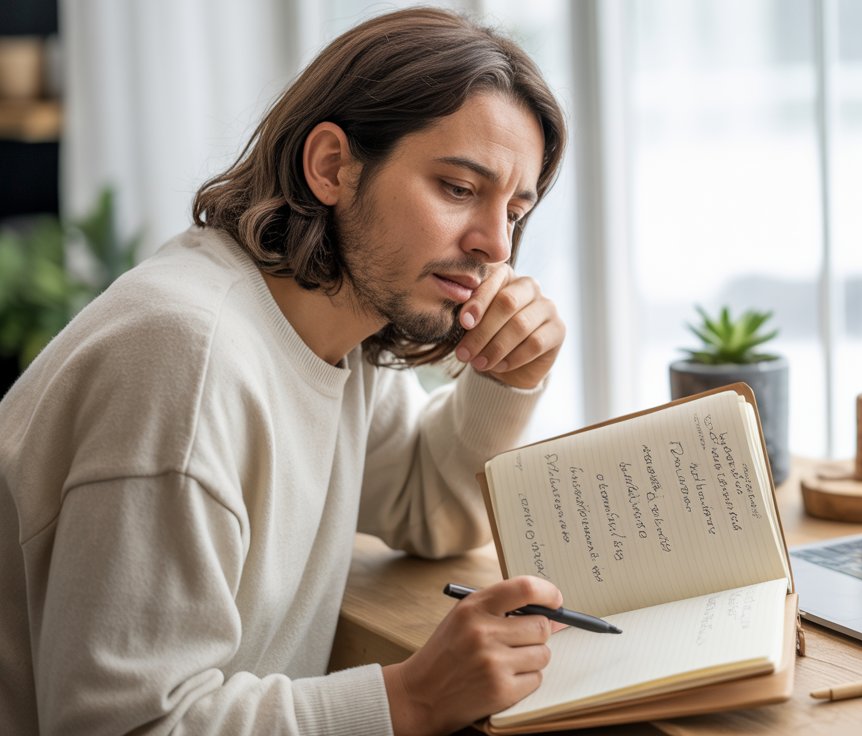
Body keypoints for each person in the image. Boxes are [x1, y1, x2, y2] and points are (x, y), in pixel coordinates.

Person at [0, 8, 571, 735]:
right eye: (458, 188)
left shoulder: (337, 330)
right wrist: (411, 699)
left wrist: (506, 378)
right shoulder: (185, 359)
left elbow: (426, 503)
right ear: (332, 166)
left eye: (515, 212)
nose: (496, 245)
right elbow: (124, 726)